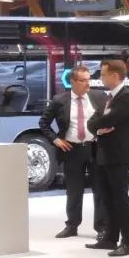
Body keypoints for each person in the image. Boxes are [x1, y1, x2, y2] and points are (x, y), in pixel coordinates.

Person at [39, 66, 108, 240]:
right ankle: (72, 225)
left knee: (100, 189)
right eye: (83, 80)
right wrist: (56, 140)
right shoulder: (59, 100)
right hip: (72, 150)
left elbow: (109, 118)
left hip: (95, 148)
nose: (88, 84)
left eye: (89, 79)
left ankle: (102, 227)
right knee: (74, 190)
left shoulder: (99, 97)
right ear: (72, 82)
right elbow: (44, 123)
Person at [85, 60, 129, 257]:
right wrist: (99, 129)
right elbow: (92, 123)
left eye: (104, 74)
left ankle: (127, 242)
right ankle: (110, 238)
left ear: (115, 75)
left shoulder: (127, 98)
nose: (101, 78)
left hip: (118, 155)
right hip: (103, 155)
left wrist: (98, 125)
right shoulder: (108, 98)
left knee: (120, 199)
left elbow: (108, 120)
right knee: (106, 198)